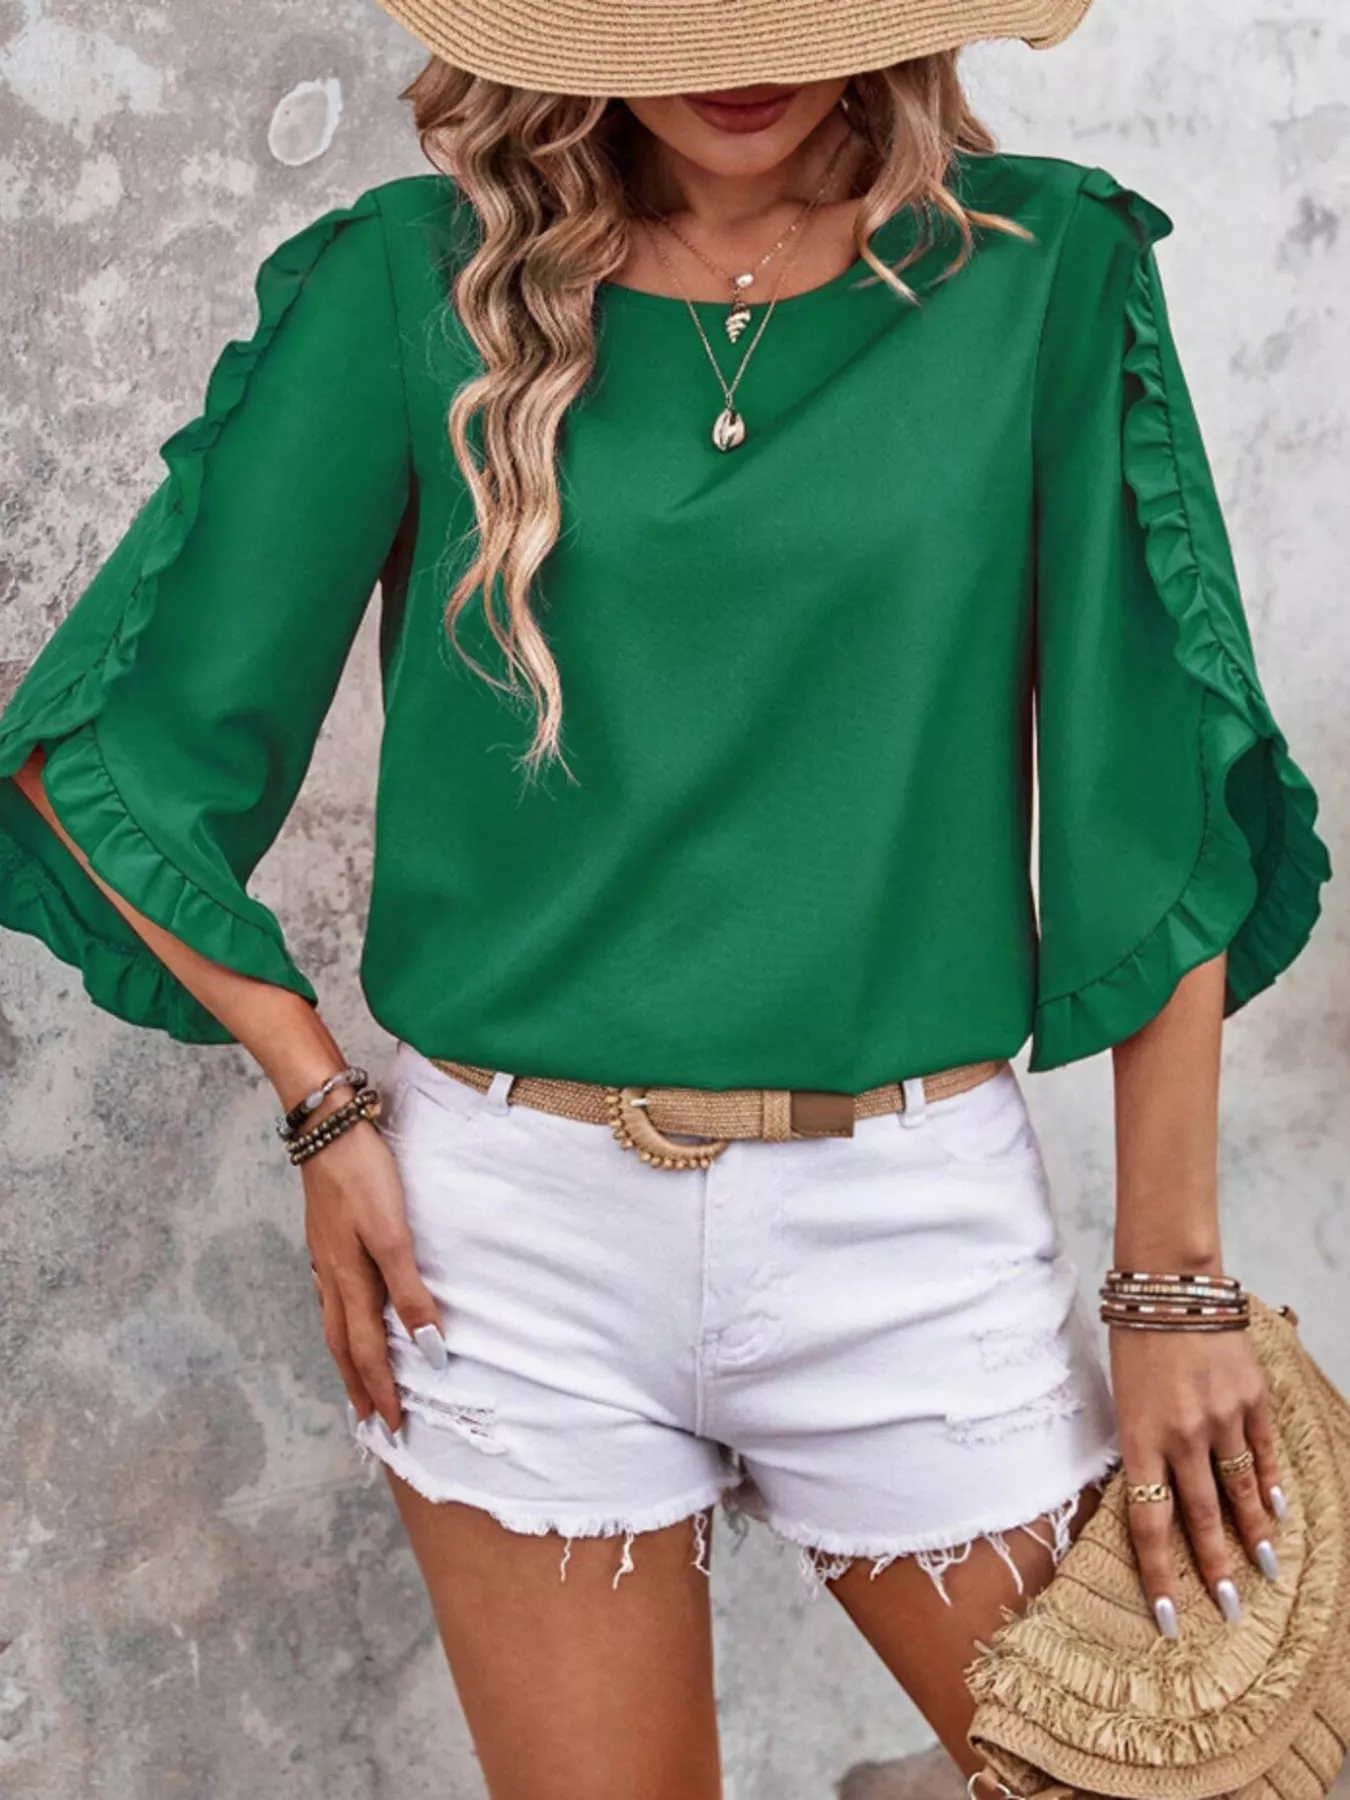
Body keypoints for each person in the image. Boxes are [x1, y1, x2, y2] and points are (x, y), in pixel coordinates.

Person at [0, 1, 1332, 1795]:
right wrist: (316, 1097)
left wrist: (1169, 1287)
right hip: (505, 1250)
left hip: (907, 1232)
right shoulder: (415, 282)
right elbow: (107, 741)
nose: (738, 56)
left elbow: (1157, 798)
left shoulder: (1041, 272)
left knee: (1198, 1765)